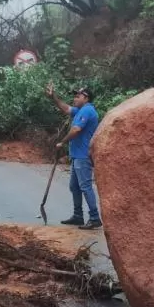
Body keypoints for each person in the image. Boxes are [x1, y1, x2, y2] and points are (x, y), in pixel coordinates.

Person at [44, 82, 102, 230]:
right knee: (74, 186)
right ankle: (78, 216)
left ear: (86, 98)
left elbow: (76, 130)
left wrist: (62, 142)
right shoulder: (80, 110)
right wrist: (53, 97)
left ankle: (95, 217)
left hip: (83, 155)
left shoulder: (88, 111)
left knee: (85, 186)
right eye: (75, 96)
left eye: (78, 96)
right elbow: (66, 108)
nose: (75, 98)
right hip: (77, 155)